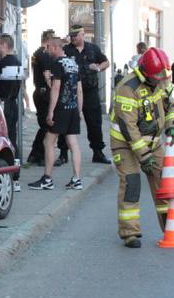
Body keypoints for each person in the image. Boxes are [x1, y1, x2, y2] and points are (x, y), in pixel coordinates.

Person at [109, 47, 174, 248]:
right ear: (147, 74)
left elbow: (172, 106)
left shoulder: (161, 80)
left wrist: (172, 126)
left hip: (152, 141)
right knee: (131, 184)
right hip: (125, 144)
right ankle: (129, 233)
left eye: (163, 77)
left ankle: (173, 225)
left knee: (164, 183)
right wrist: (144, 156)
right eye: (157, 78)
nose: (161, 81)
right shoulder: (127, 88)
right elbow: (128, 127)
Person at [28, 32, 84, 191]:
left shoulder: (57, 63)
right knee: (73, 143)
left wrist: (51, 111)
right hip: (73, 109)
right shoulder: (73, 64)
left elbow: (56, 89)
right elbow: (79, 90)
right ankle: (77, 179)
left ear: (55, 47)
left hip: (61, 109)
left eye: (48, 48)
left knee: (48, 142)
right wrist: (79, 111)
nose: (47, 51)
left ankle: (47, 178)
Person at [64, 25, 112, 164]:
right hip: (71, 92)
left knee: (95, 123)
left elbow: (106, 62)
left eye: (75, 35)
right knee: (66, 122)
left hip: (90, 91)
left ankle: (98, 153)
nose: (73, 38)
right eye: (71, 35)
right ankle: (63, 153)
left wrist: (97, 67)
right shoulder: (67, 50)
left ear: (82, 34)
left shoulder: (93, 48)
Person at [27, 30, 68, 165]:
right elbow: (47, 74)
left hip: (40, 92)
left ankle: (35, 154)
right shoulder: (43, 54)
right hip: (44, 93)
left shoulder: (38, 53)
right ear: (48, 40)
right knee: (47, 126)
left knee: (45, 126)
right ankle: (39, 155)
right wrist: (54, 91)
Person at [0, 34, 22, 192]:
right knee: (13, 140)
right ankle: (16, 178)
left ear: (3, 45)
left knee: (1, 141)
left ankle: (5, 174)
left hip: (1, 105)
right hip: (13, 105)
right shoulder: (18, 62)